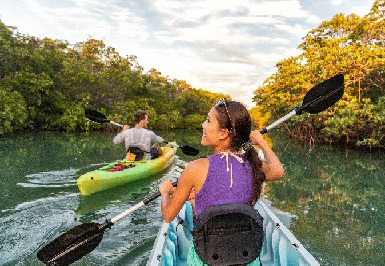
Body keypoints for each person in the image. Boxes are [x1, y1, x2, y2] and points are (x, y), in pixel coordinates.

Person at [159, 99, 284, 265]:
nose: (203, 125)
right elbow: (278, 171)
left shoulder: (195, 168)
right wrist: (261, 141)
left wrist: (165, 192)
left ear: (223, 133)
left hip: (207, 258)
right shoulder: (253, 165)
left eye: (209, 120)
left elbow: (168, 216)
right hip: (246, 257)